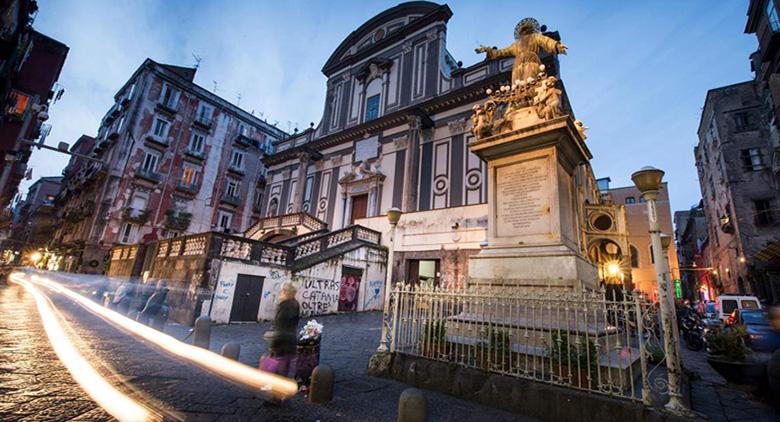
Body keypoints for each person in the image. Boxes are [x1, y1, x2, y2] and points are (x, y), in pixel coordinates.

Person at [262, 282, 300, 377]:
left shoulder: (285, 306)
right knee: (285, 366)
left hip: (281, 342)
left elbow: (281, 325)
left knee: (277, 368)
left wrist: (273, 341)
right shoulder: (295, 303)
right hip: (290, 340)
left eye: (282, 290)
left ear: (285, 292)